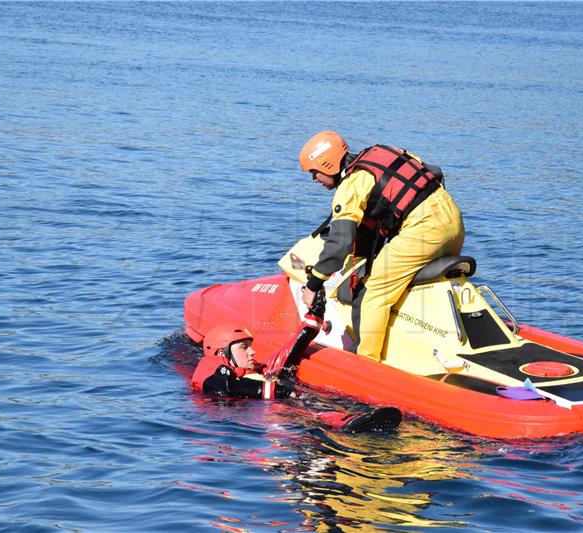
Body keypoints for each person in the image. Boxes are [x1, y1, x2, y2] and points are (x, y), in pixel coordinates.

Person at [299, 131, 465, 361]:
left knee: (374, 292)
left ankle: (366, 361)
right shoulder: (382, 152)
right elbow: (434, 172)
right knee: (402, 282)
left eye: (314, 172)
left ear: (327, 164)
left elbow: (341, 242)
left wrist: (314, 282)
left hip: (424, 230)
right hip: (454, 222)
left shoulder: (352, 184)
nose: (314, 179)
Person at [190, 292, 401, 433]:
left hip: (274, 407)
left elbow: (288, 355)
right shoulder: (210, 366)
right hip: (255, 421)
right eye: (244, 347)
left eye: (250, 345)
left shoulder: (257, 370)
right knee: (304, 412)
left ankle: (350, 420)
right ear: (222, 352)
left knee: (304, 398)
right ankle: (344, 423)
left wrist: (313, 318)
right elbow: (222, 386)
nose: (252, 351)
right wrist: (280, 392)